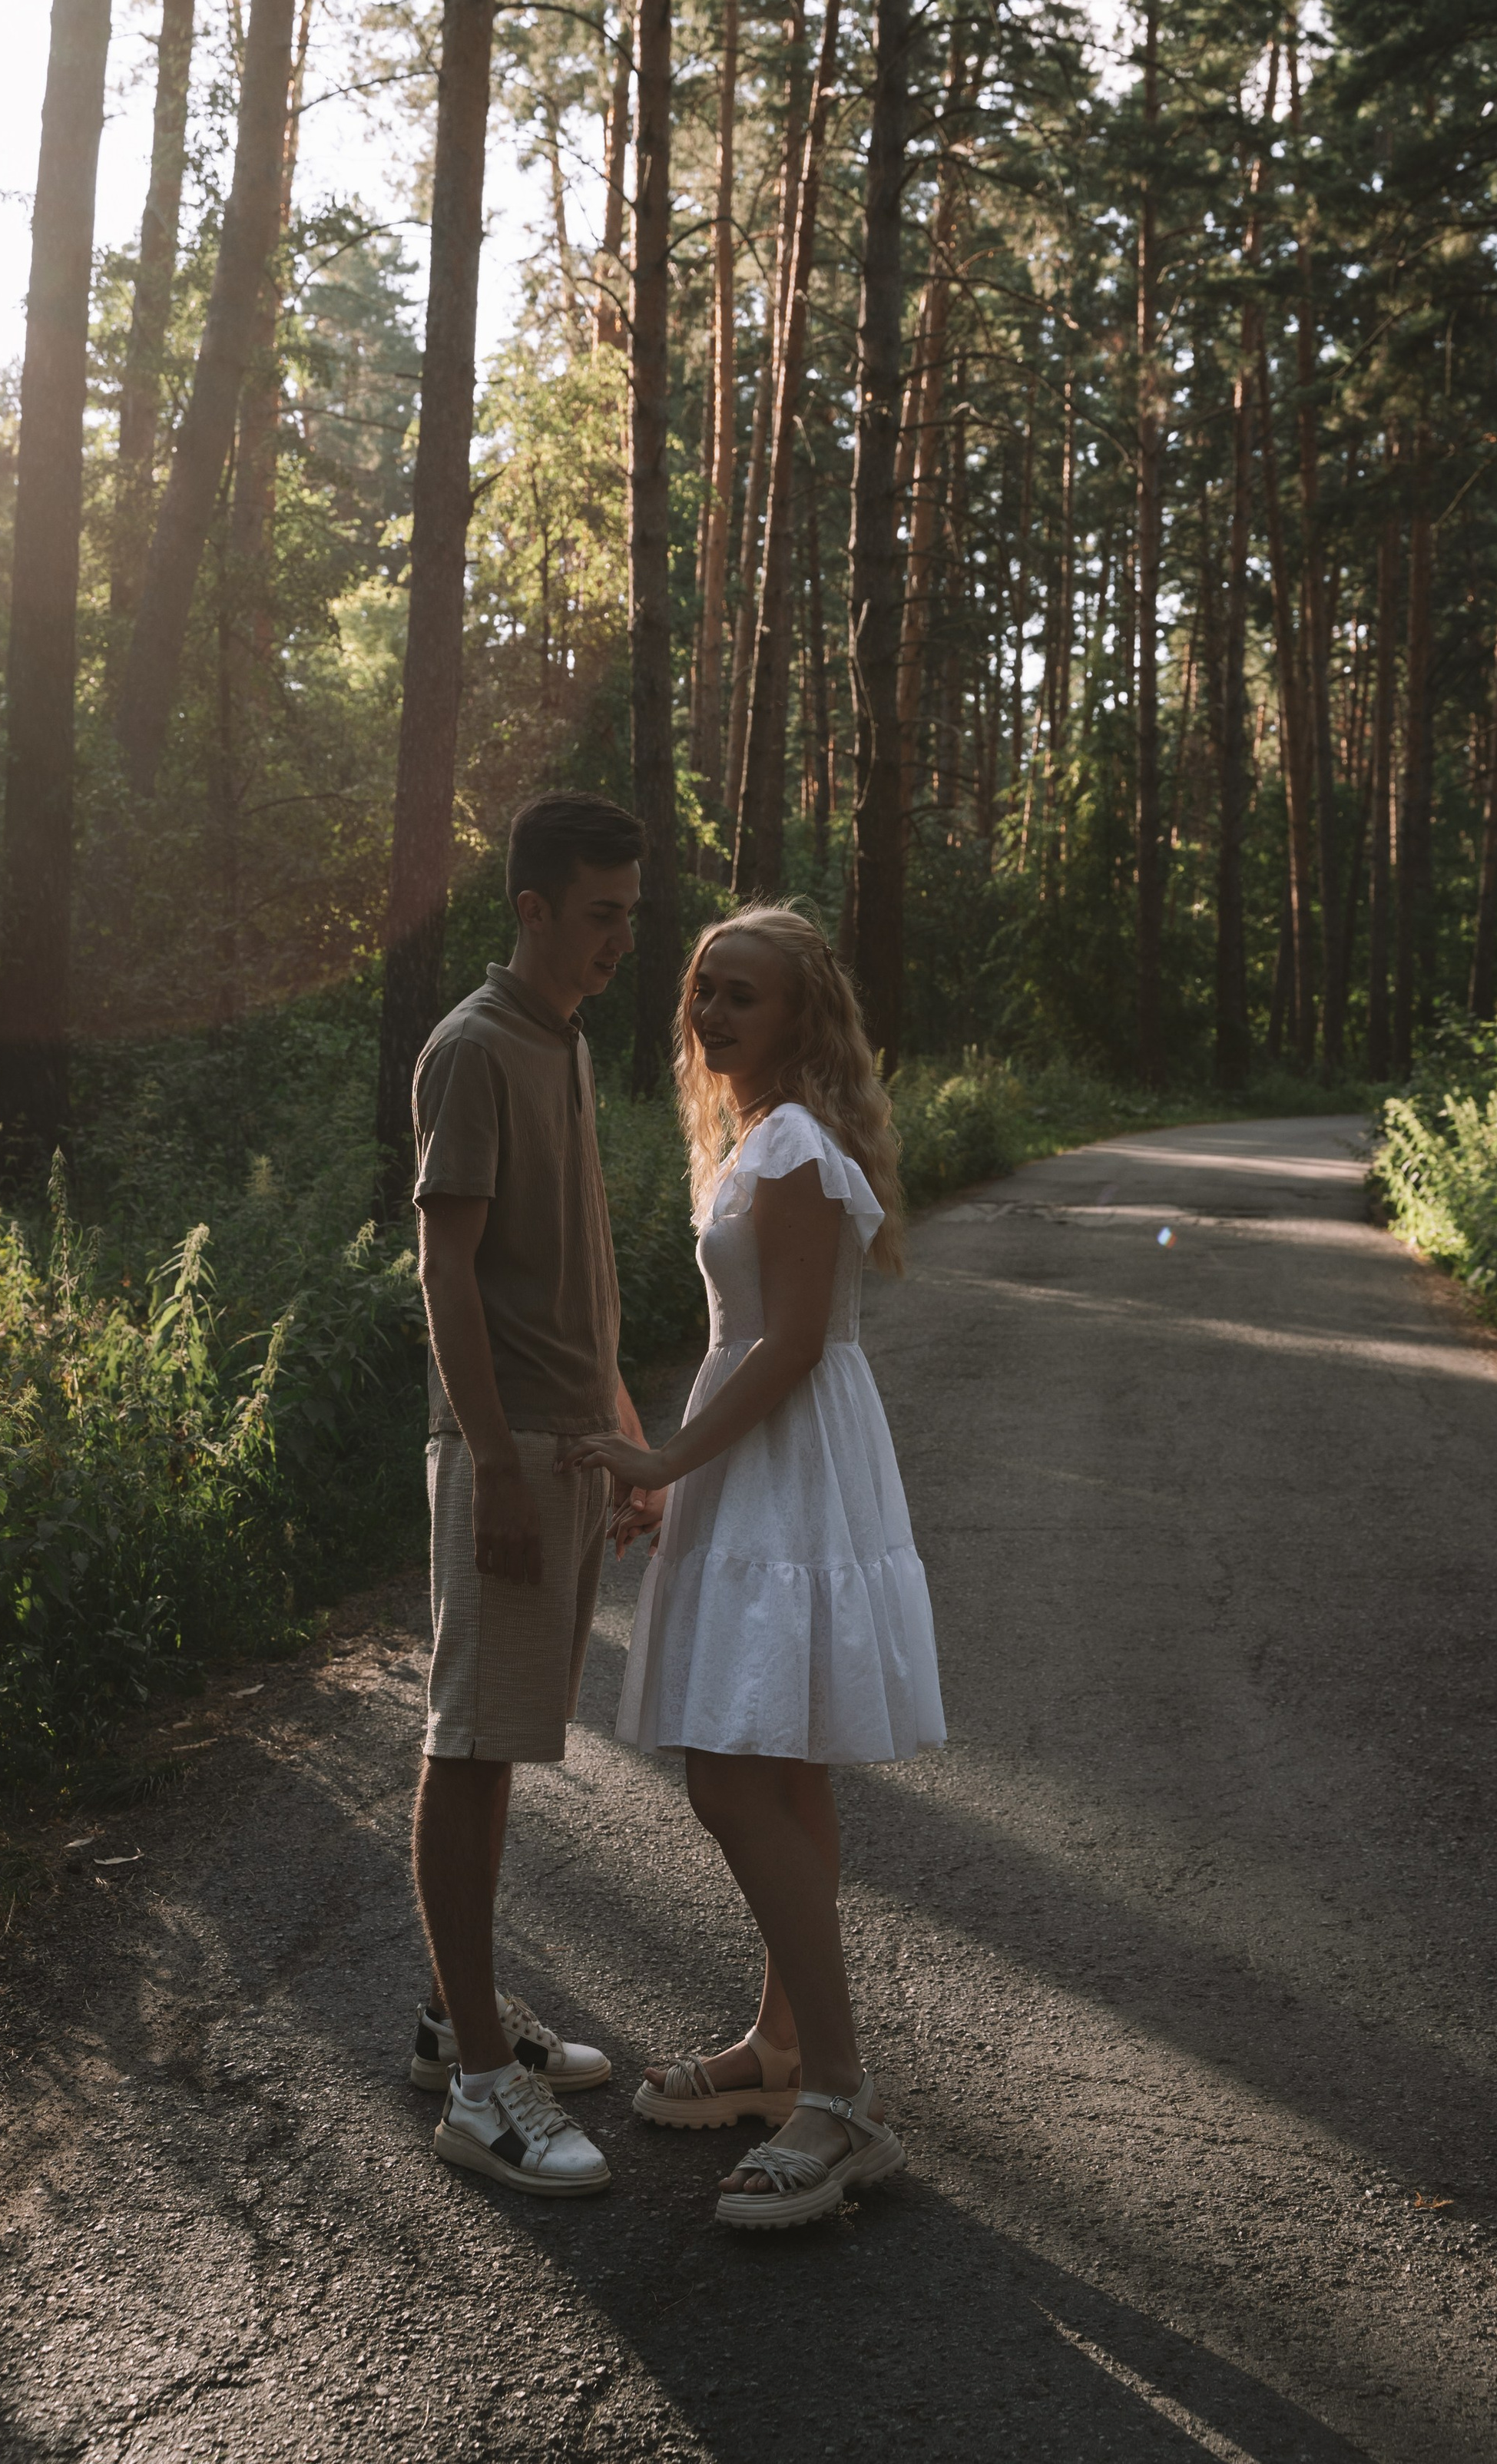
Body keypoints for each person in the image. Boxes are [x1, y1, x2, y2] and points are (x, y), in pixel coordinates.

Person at [562, 904, 945, 2231]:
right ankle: (782, 2053)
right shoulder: (769, 1140)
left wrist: (664, 1464)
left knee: (733, 1775)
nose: (714, 1015)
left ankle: (840, 2098)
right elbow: (757, 1349)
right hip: (769, 1464)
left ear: (801, 1018)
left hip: (784, 1463)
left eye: (743, 996)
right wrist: (685, 1483)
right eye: (703, 993)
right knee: (777, 1765)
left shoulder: (788, 1145)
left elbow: (782, 1350)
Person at [406, 789, 653, 2197]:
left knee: (502, 1743)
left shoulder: (561, 1043)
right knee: (471, 1741)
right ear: (534, 909)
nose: (624, 939)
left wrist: (614, 1428)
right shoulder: (474, 1048)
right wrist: (496, 1463)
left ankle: (458, 2019)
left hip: (565, 1448)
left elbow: (570, 1267)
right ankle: (482, 2092)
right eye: (602, 913)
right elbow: (447, 1271)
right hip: (502, 1458)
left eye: (633, 913)